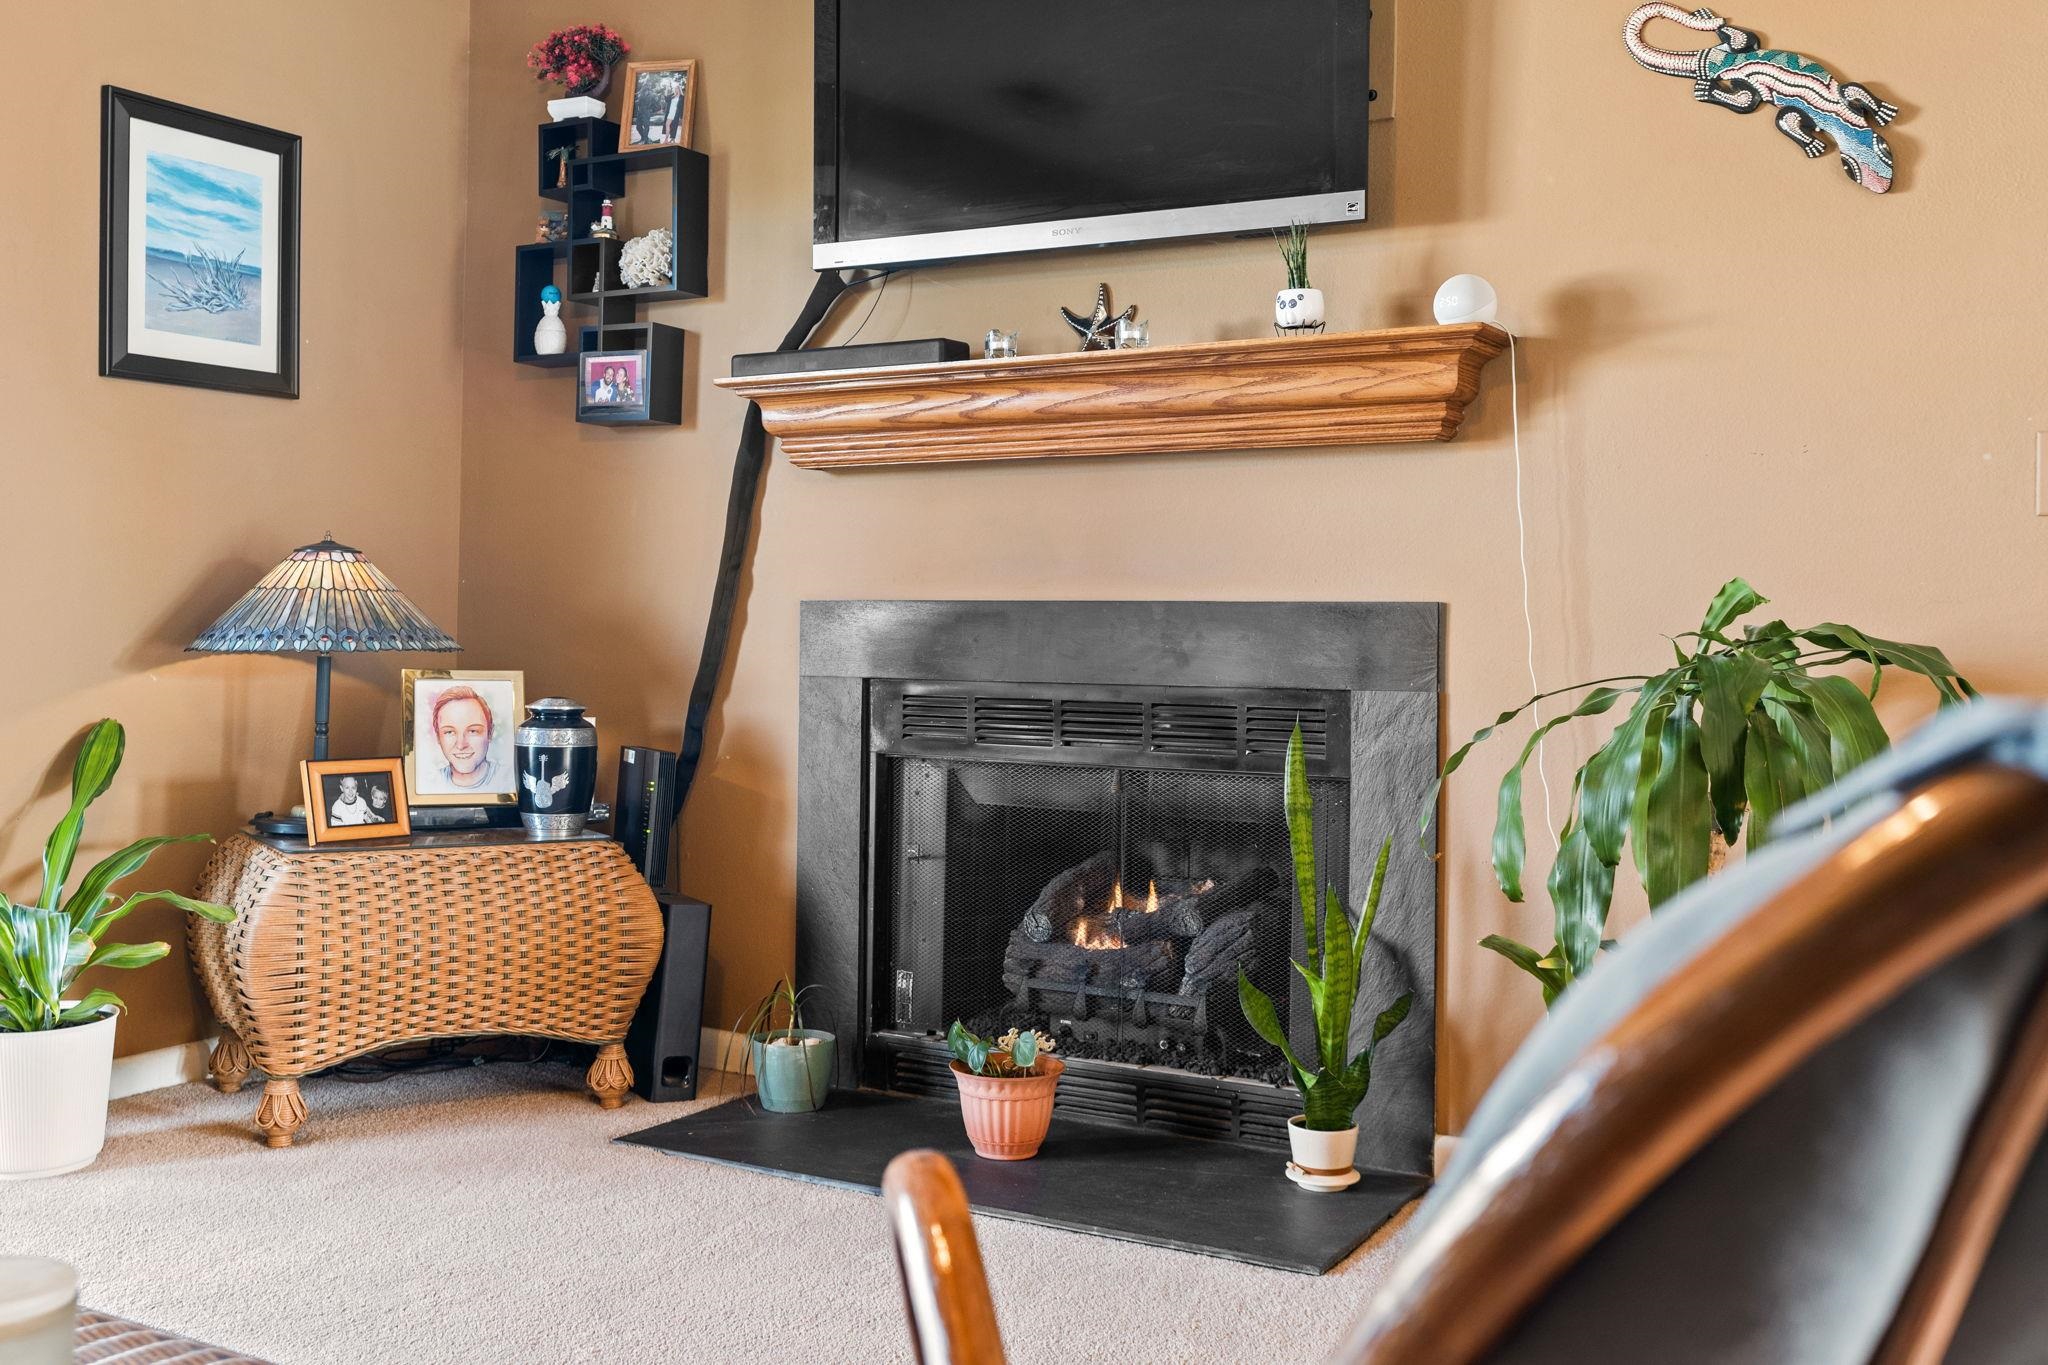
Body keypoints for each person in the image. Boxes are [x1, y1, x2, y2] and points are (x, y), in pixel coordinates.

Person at [430, 684, 500, 793]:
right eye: (449, 732)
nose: (461, 745)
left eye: (473, 731)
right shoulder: (430, 783)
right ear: (438, 737)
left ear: (490, 732)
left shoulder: (507, 778)